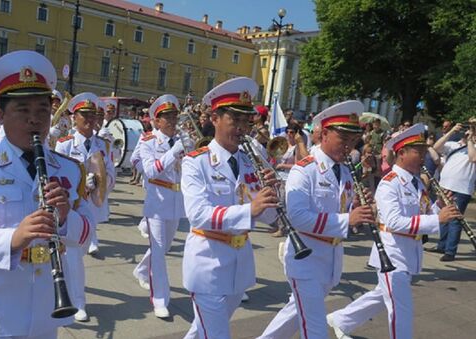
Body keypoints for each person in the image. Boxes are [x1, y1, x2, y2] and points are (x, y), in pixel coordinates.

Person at [0, 50, 93, 339]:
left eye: (42, 111)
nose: (34, 120)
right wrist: (12, 238)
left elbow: (86, 234)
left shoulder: (69, 169)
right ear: (0, 116)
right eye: (23, 111)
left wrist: (65, 218)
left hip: (46, 314)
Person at [326, 123, 462, 339]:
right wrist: (437, 219)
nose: (423, 157)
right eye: (419, 152)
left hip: (409, 253)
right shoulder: (390, 183)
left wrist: (440, 208)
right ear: (401, 154)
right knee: (401, 309)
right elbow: (394, 222)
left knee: (381, 296)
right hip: (393, 254)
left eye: (424, 152)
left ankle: (341, 319)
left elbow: (422, 212)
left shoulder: (416, 181)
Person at [258, 100, 375, 339]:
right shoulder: (305, 169)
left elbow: (341, 207)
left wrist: (359, 207)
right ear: (324, 134)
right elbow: (297, 217)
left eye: (353, 140)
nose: (349, 145)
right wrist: (347, 219)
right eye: (343, 138)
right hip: (305, 259)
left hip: (329, 260)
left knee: (293, 313)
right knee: (315, 327)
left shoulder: (345, 170)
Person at [181, 77, 278, 338]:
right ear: (214, 118)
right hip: (207, 265)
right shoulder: (196, 162)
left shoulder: (251, 162)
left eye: (246, 121)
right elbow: (198, 214)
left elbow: (271, 219)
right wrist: (250, 210)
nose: (241, 128)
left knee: (202, 331)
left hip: (239, 266)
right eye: (234, 120)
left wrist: (273, 195)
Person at [130, 94, 186, 319]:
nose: (172, 121)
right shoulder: (148, 141)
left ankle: (141, 270)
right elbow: (151, 171)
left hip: (176, 201)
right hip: (157, 203)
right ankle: (160, 299)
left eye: (174, 116)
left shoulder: (182, 139)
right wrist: (174, 152)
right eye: (167, 117)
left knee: (162, 248)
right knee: (160, 252)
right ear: (157, 120)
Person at [56, 92, 116, 256]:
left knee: (84, 244)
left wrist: (100, 182)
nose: (89, 119)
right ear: (75, 117)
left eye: (92, 114)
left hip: (95, 202)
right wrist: (82, 185)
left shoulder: (104, 145)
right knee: (72, 252)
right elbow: (58, 177)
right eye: (84, 114)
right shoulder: (65, 145)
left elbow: (111, 174)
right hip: (73, 205)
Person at [426, 121, 476, 261]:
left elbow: (473, 158)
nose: (469, 131)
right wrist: (452, 131)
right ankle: (441, 245)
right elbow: (435, 147)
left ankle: (450, 251)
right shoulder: (453, 145)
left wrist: (471, 139)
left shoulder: (474, 146)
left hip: (462, 189)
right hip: (445, 185)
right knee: (444, 217)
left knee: (454, 220)